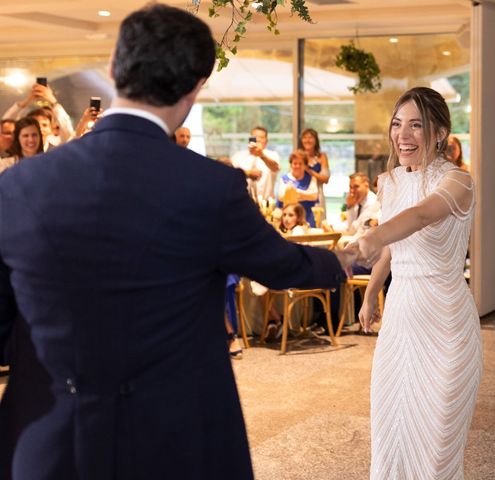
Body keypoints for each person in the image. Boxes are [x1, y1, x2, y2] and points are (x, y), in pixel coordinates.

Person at [0, 5, 354, 480]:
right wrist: (342, 261)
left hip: (50, 437)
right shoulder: (211, 187)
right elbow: (284, 265)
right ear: (195, 87)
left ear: (113, 69)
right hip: (178, 439)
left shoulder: (20, 185)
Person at [353, 87, 482, 479]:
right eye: (397, 124)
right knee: (392, 430)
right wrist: (372, 294)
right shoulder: (388, 183)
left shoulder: (459, 182)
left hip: (446, 325)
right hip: (401, 321)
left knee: (438, 439)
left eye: (416, 125)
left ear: (440, 133)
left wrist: (374, 235)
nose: (403, 135)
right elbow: (394, 246)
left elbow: (422, 216)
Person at [231, 126, 281, 201]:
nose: (257, 139)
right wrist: (247, 173)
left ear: (266, 141)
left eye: (261, 137)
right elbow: (231, 175)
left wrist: (261, 155)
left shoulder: (272, 155)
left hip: (265, 203)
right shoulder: (238, 156)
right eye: (255, 137)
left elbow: (275, 168)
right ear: (249, 139)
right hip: (242, 202)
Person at [277, 149, 319, 227]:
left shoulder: (311, 178)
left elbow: (314, 196)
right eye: (295, 163)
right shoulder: (284, 179)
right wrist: (305, 195)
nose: (297, 166)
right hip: (288, 218)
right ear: (291, 164)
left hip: (307, 216)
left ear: (305, 165)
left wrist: (294, 192)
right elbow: (281, 196)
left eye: (300, 163)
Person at [299, 128, 330, 220]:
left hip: (317, 194)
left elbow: (325, 179)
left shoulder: (322, 157)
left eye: (310, 137)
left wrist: (309, 171)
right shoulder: (298, 155)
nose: (307, 140)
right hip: (301, 193)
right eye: (305, 138)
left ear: (316, 140)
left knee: (317, 220)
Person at [341, 172, 380, 240]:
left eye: (356, 186)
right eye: (350, 187)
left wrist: (349, 207)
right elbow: (349, 226)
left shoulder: (372, 203)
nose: (352, 191)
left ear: (366, 185)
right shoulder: (359, 201)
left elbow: (352, 230)